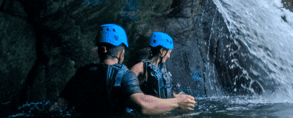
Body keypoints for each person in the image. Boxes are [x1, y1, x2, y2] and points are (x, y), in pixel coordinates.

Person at [50, 24, 195, 116]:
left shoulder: (82, 73)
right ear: (121, 53)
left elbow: (57, 107)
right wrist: (177, 103)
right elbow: (143, 105)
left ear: (98, 49)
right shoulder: (125, 74)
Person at [130, 32, 175, 99]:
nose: (169, 56)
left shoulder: (162, 69)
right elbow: (127, 91)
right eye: (169, 53)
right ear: (161, 51)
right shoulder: (140, 67)